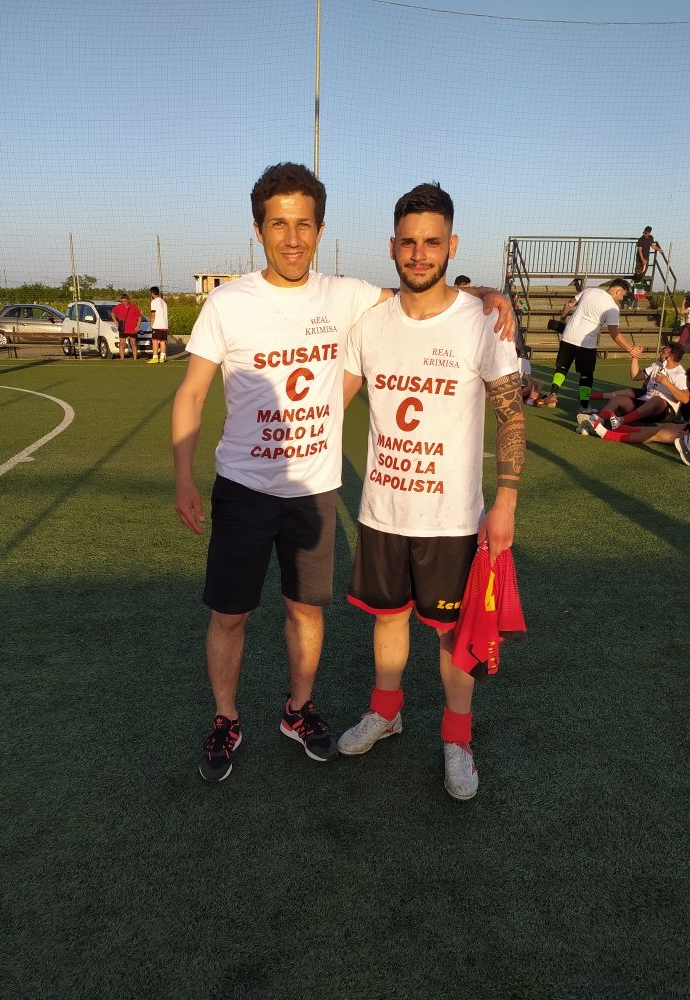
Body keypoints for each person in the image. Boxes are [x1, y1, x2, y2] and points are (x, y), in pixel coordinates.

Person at [171, 162, 516, 783]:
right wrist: (183, 476)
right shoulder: (235, 303)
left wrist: (491, 292)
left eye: (304, 224)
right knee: (236, 615)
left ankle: (321, 715)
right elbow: (197, 392)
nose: (292, 238)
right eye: (279, 224)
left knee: (325, 613)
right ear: (259, 230)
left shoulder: (355, 296)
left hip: (328, 495)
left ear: (321, 230)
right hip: (254, 491)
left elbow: (430, 296)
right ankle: (237, 719)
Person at [336, 183, 525, 801]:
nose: (420, 254)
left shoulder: (482, 321)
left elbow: (510, 414)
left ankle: (456, 739)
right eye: (409, 242)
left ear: (452, 245)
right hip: (383, 510)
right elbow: (334, 402)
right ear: (392, 246)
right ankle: (385, 712)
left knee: (451, 635)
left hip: (451, 519)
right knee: (388, 619)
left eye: (432, 242)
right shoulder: (369, 324)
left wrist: (506, 501)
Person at [537, 279, 641, 412]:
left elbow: (569, 304)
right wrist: (630, 349)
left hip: (568, 336)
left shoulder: (589, 291)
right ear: (618, 291)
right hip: (586, 343)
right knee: (586, 375)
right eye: (623, 296)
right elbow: (614, 332)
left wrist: (562, 319)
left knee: (562, 367)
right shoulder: (613, 308)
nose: (622, 299)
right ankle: (584, 406)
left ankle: (553, 394)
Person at [576, 343, 688, 430]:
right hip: (644, 402)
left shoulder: (680, 374)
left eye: (663, 352)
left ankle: (621, 421)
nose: (660, 352)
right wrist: (635, 358)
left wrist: (667, 383)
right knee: (617, 399)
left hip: (663, 412)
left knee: (657, 400)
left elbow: (685, 399)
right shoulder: (656, 366)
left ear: (669, 357)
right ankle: (597, 421)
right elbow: (635, 376)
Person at [110, 294, 141, 360]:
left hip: (132, 328)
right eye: (123, 301)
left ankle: (135, 358)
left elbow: (139, 317)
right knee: (122, 343)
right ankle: (122, 358)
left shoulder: (134, 307)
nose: (124, 302)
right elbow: (112, 313)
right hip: (123, 328)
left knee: (133, 343)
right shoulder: (119, 306)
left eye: (125, 301)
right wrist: (116, 322)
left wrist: (138, 326)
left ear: (128, 300)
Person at [147, 286, 169, 364]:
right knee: (163, 341)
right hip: (164, 325)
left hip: (157, 324)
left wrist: (151, 323)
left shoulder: (154, 301)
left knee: (155, 341)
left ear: (152, 293)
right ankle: (162, 358)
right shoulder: (163, 302)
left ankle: (155, 357)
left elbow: (153, 313)